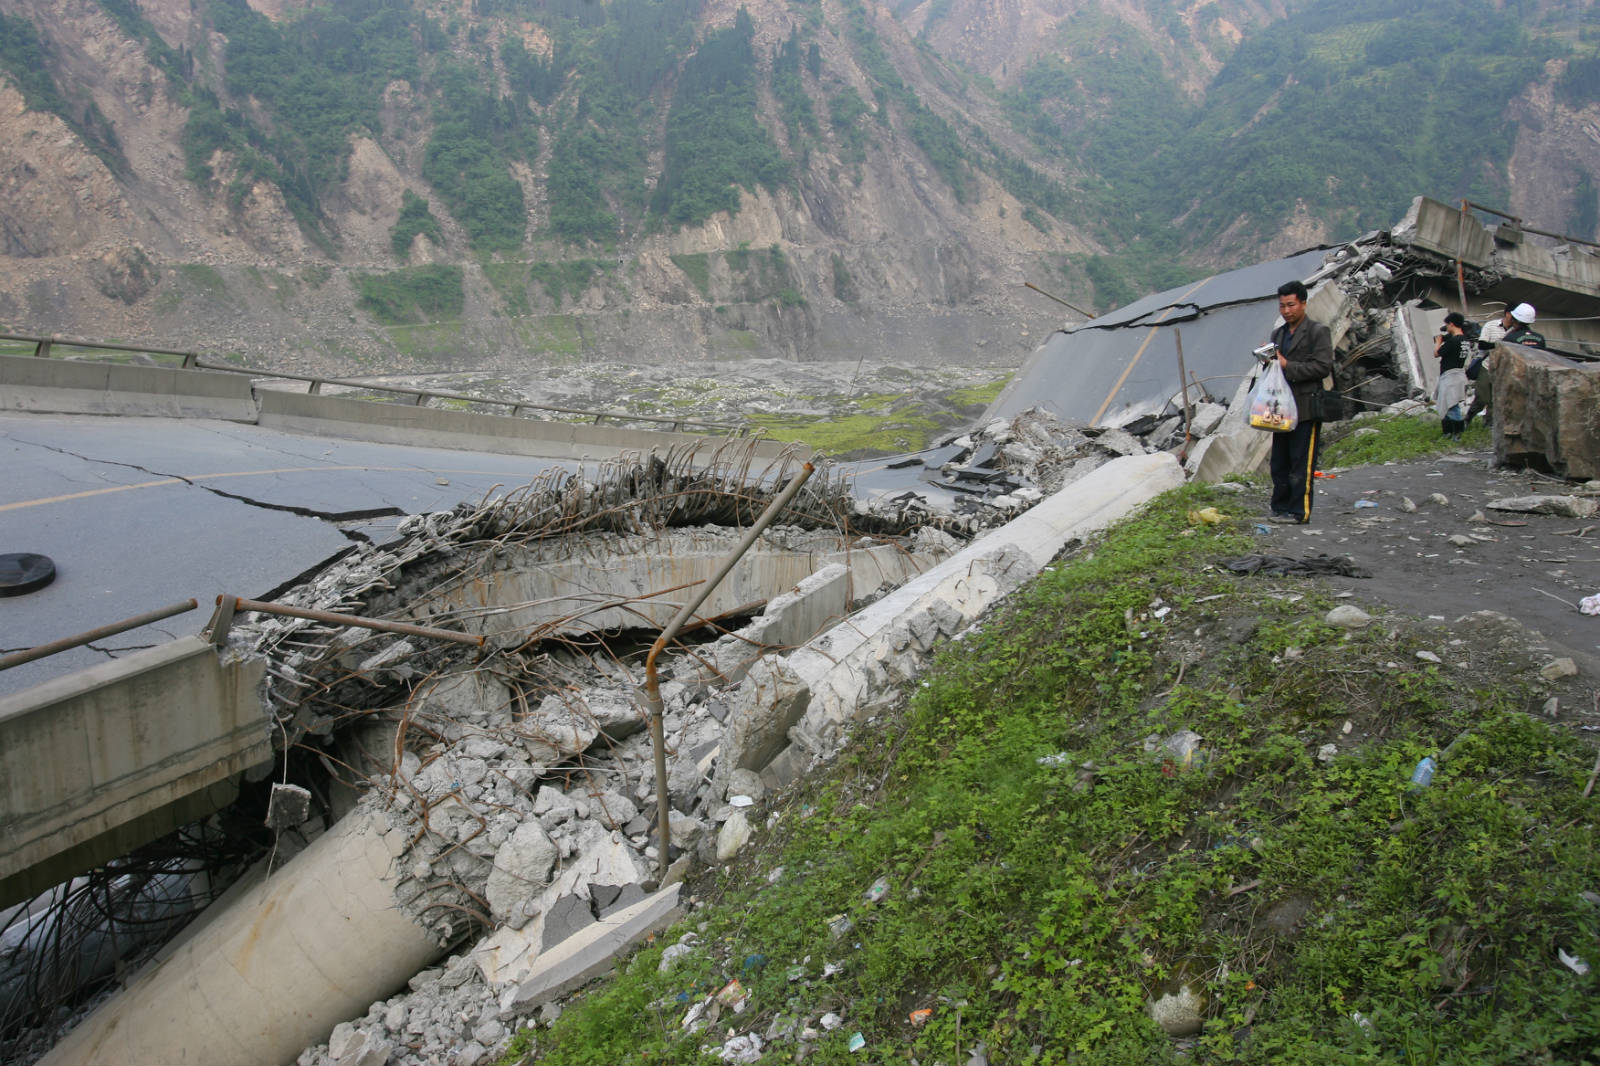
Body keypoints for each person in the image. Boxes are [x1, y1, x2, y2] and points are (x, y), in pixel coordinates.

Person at [1266, 280, 1334, 523]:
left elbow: (1323, 367)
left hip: (1306, 406)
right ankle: (1279, 506)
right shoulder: (1278, 334)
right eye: (1282, 306)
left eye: (1291, 305)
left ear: (1304, 303)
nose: (1286, 311)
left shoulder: (1317, 331)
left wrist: (1287, 365)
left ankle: (1298, 512)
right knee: (1279, 461)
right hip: (1281, 408)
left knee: (1301, 462)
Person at [1464, 302, 1543, 428]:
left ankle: (1489, 424)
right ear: (1508, 314)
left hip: (1504, 370)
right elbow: (1482, 345)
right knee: (1482, 397)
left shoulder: (1516, 332)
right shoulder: (1491, 326)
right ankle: (1468, 418)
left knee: (1496, 400)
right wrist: (1499, 345)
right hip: (1488, 366)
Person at [1434, 311, 1470, 439]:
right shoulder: (1465, 340)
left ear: (1451, 324)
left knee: (1451, 405)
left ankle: (1457, 433)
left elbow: (1437, 353)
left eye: (1447, 325)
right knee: (1448, 404)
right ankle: (1448, 433)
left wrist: (1438, 341)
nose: (1447, 328)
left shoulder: (1453, 341)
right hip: (1458, 374)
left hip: (1450, 376)